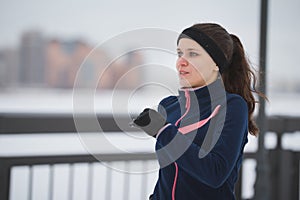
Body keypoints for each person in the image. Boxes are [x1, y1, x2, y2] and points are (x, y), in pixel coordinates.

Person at [132, 23, 266, 200]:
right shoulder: (169, 106)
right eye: (179, 53)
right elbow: (169, 174)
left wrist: (164, 131)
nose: (181, 61)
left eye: (193, 54)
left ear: (216, 64)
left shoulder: (231, 106)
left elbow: (215, 173)